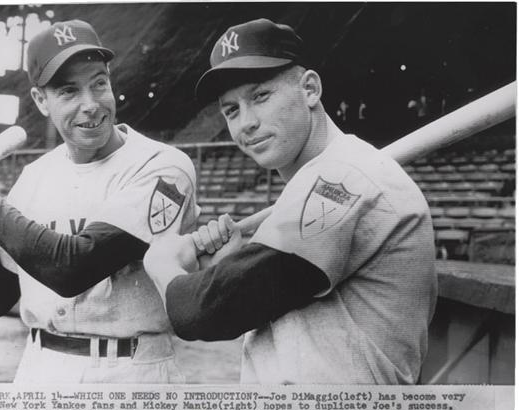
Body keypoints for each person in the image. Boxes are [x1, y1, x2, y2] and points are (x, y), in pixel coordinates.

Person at [144, 18, 437, 384]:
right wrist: (232, 265)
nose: (246, 123)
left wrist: (163, 263)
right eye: (231, 110)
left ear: (310, 89)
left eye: (261, 96)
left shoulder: (344, 177)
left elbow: (203, 312)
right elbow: (263, 298)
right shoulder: (320, 179)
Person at [0, 19, 197, 383]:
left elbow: (74, 267)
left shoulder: (164, 166)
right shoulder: (34, 176)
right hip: (39, 365)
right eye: (68, 91)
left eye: (99, 84)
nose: (91, 105)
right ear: (40, 101)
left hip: (129, 371)